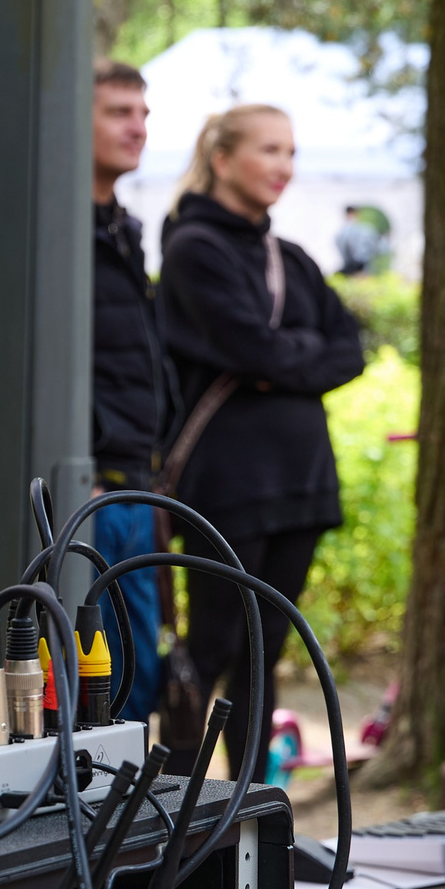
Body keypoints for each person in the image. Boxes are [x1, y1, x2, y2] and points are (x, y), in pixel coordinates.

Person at [156, 104, 363, 733]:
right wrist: (297, 351)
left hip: (301, 479)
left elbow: (349, 350)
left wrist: (283, 356)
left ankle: (244, 808)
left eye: (291, 152)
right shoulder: (194, 249)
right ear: (222, 160)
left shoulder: (291, 257)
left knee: (265, 651)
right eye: (269, 150)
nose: (285, 166)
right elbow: (252, 348)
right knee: (214, 645)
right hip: (230, 482)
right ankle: (181, 807)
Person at [85, 59, 168, 724]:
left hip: (134, 483)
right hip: (89, 486)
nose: (137, 127)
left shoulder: (124, 228)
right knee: (97, 681)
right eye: (118, 112)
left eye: (142, 113)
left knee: (138, 674)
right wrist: (75, 463)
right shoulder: (42, 232)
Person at [333, 206, 382, 277]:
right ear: (357, 214)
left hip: (351, 266)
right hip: (360, 267)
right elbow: (376, 247)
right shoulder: (366, 230)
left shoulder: (341, 232)